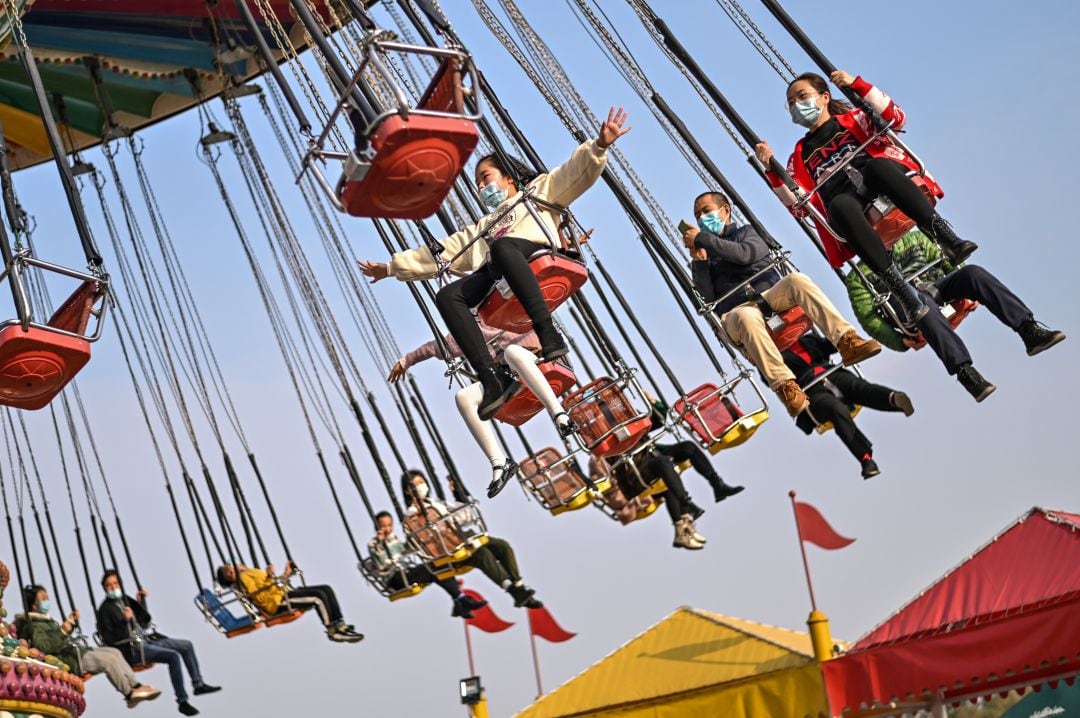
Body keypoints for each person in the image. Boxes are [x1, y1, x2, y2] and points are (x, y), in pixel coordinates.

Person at [359, 107, 631, 422]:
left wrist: (599, 146)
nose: (481, 188)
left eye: (485, 178)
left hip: (534, 252)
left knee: (503, 247)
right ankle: (491, 378)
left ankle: (547, 332)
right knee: (448, 296)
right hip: (501, 267)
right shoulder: (487, 224)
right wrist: (392, 268)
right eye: (477, 184)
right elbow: (450, 250)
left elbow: (573, 173)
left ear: (508, 177)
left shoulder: (537, 192)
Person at [756, 70, 978, 326]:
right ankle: (900, 289)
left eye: (802, 96)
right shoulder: (798, 157)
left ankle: (943, 235)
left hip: (879, 181)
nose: (797, 105)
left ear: (824, 97)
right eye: (791, 103)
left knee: (877, 167)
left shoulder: (855, 120)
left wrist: (857, 86)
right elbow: (799, 207)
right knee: (838, 205)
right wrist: (772, 171)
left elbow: (896, 118)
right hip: (846, 202)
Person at [686, 190, 881, 416]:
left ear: (725, 210)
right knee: (745, 316)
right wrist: (699, 263)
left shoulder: (747, 233)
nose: (701, 219)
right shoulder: (706, 257)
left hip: (770, 294)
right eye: (697, 215)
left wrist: (704, 239)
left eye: (706, 211)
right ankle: (786, 386)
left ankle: (847, 340)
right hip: (737, 313)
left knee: (797, 280)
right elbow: (707, 300)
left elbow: (745, 255)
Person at [844, 230, 1066, 401]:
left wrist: (966, 293)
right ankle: (965, 371)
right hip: (905, 308)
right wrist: (900, 341)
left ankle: (1028, 329)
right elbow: (869, 318)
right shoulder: (858, 276)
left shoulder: (918, 239)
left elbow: (952, 265)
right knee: (922, 305)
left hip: (934, 288)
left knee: (973, 273)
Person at [389, 320, 578, 498]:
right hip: (511, 378)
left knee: (513, 352)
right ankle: (499, 463)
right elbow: (432, 348)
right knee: (463, 397)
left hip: (539, 361)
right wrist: (406, 361)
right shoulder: (467, 332)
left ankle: (559, 415)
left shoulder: (505, 302)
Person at [401, 470, 542, 608]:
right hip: (446, 554)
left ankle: (519, 587)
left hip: (462, 541)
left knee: (502, 546)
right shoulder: (411, 516)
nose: (420, 486)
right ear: (408, 491)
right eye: (415, 484)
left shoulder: (437, 504)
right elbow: (420, 540)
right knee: (482, 554)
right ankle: (512, 589)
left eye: (422, 482)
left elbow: (463, 518)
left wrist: (457, 494)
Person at [781, 334, 914, 479]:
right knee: (836, 409)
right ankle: (866, 459)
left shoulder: (807, 339)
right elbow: (772, 378)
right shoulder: (773, 356)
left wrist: (836, 337)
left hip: (831, 373)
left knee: (858, 387)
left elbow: (830, 346)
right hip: (808, 391)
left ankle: (893, 399)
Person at [96, 570, 220, 716]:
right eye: (109, 585)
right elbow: (109, 639)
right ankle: (183, 702)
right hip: (132, 648)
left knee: (186, 645)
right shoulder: (104, 610)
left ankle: (198, 684)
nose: (113, 587)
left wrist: (142, 602)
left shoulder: (125, 600)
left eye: (115, 583)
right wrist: (125, 621)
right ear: (104, 588)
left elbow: (144, 622)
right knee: (173, 656)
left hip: (145, 640)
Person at [17, 585, 162, 709]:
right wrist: (63, 630)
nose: (46, 601)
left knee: (114, 652)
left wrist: (70, 624)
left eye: (46, 597)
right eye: (42, 598)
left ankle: (135, 685)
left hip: (75, 652)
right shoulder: (33, 626)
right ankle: (129, 694)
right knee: (108, 661)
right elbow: (44, 648)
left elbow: (59, 638)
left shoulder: (46, 621)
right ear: (33, 605)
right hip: (70, 659)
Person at [368, 510, 489, 618]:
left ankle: (460, 600)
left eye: (389, 525)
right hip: (395, 579)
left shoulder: (394, 539)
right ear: (377, 527)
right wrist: (381, 541)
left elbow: (404, 551)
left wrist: (413, 538)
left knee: (437, 565)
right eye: (383, 526)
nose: (387, 529)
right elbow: (382, 564)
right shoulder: (374, 544)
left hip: (407, 572)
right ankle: (461, 601)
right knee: (431, 570)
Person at [214, 562, 362, 643]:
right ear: (231, 574)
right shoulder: (244, 579)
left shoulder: (250, 573)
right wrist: (277, 576)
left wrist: (280, 575)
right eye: (230, 568)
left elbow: (269, 584)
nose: (235, 565)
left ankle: (340, 624)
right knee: (318, 597)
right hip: (278, 603)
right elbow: (259, 595)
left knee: (326, 589)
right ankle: (332, 630)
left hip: (283, 594)